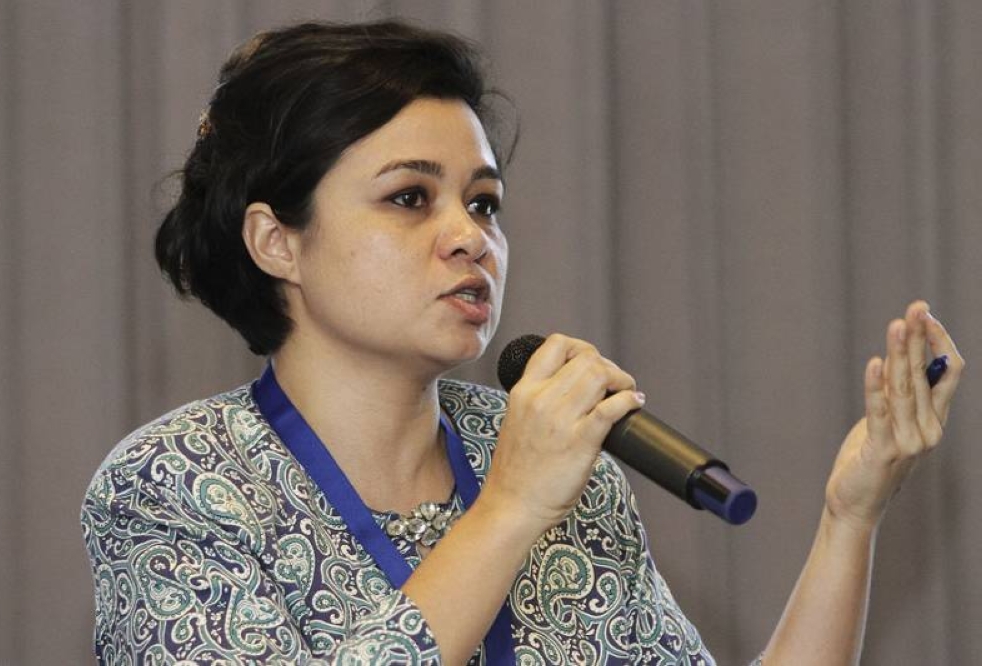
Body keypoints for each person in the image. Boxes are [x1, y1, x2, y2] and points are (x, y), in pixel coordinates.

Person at [81, 19, 964, 665]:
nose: (470, 236)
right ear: (278, 241)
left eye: (485, 203)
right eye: (409, 197)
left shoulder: (558, 472)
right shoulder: (172, 486)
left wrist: (853, 516)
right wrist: (508, 509)